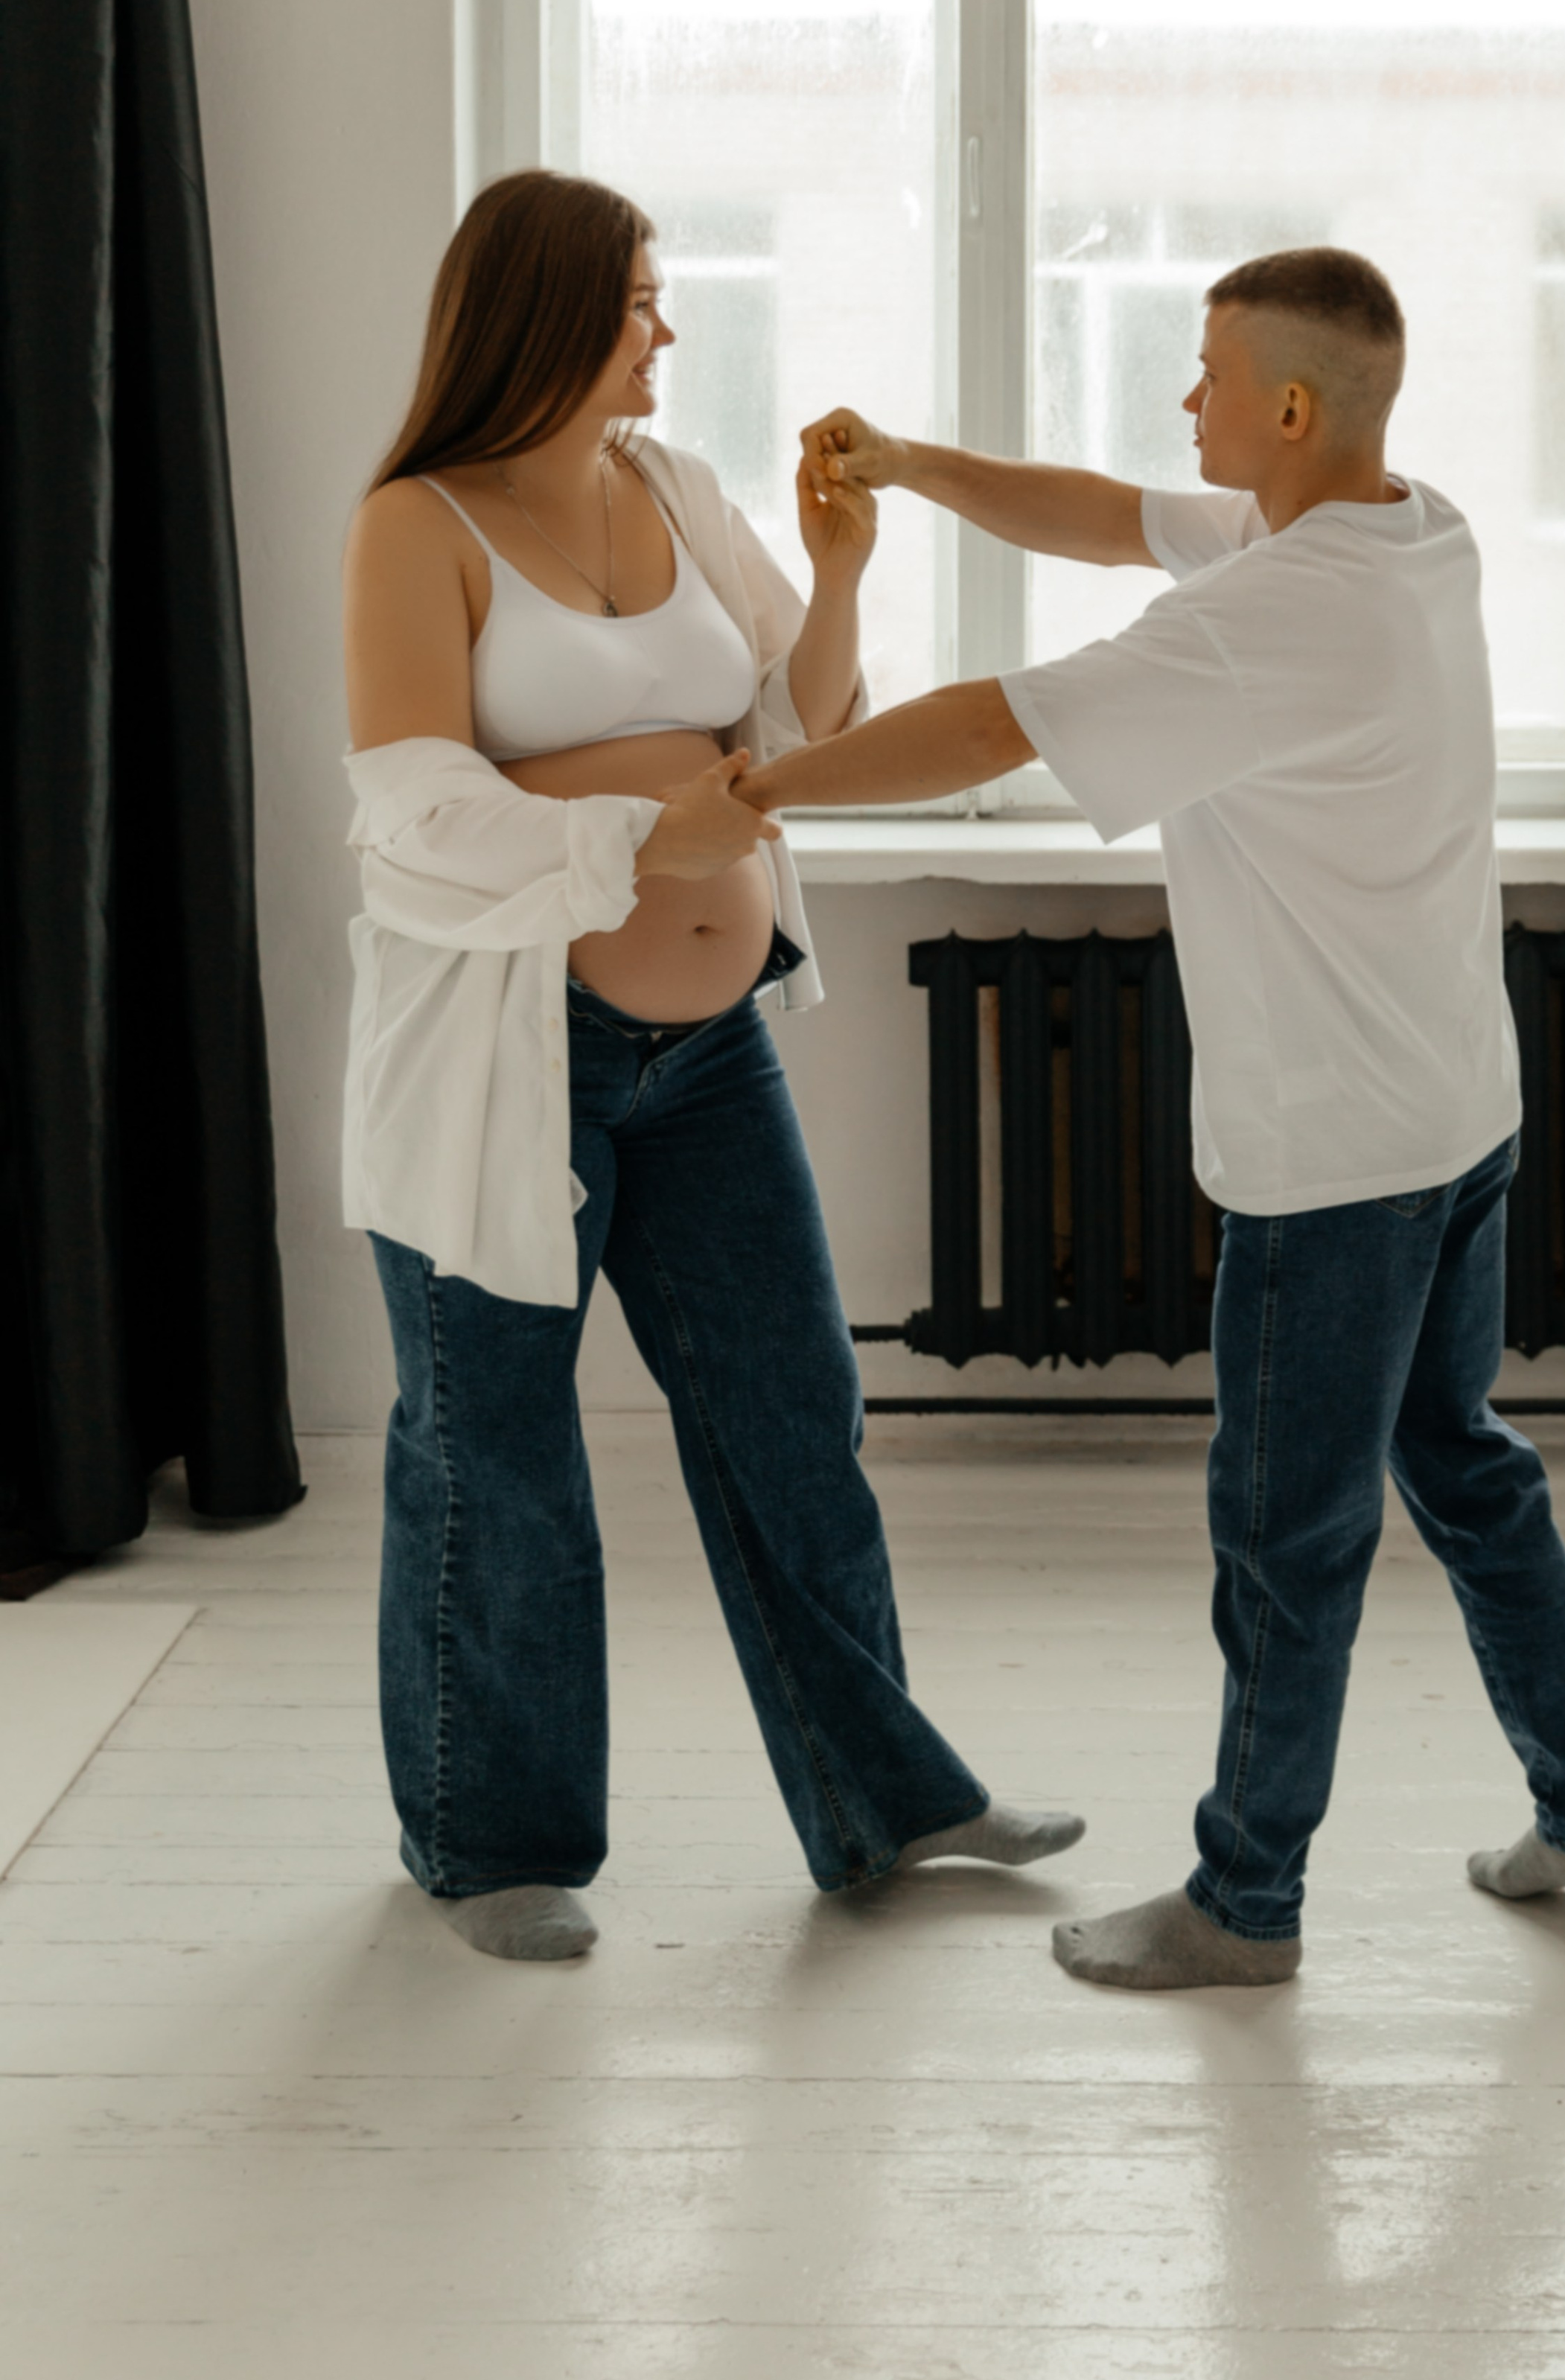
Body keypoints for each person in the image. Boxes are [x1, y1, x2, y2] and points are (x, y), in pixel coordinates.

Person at [739, 244, 1565, 1991]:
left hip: (1338, 1168)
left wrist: (758, 787)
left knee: (1283, 1541)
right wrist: (915, 469)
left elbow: (993, 726)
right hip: (1456, 1109)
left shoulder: (1275, 614)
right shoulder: (1393, 524)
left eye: (1210, 375)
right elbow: (1105, 514)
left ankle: (1244, 1907)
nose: (1187, 400)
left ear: (1288, 409)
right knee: (1463, 1466)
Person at [340, 168, 1083, 1963]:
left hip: (712, 1051)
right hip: (517, 1060)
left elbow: (798, 721)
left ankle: (886, 1797)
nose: (667, 329)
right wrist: (636, 843)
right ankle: (492, 1846)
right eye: (640, 300)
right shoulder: (415, 526)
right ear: (550, 313)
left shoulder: (673, 487)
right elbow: (415, 816)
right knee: (495, 1454)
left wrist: (833, 577)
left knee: (792, 1420)